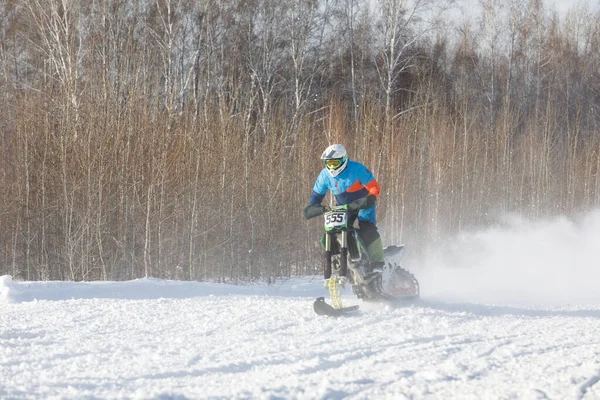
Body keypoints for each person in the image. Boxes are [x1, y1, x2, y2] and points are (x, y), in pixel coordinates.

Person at [303, 144, 385, 274]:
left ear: (343, 160)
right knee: (335, 229)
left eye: (334, 162)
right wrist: (314, 207)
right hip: (344, 207)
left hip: (363, 204)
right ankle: (340, 259)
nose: (331, 166)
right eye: (328, 163)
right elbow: (316, 196)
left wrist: (371, 197)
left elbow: (374, 186)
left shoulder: (357, 169)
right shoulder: (325, 175)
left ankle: (378, 263)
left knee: (367, 229)